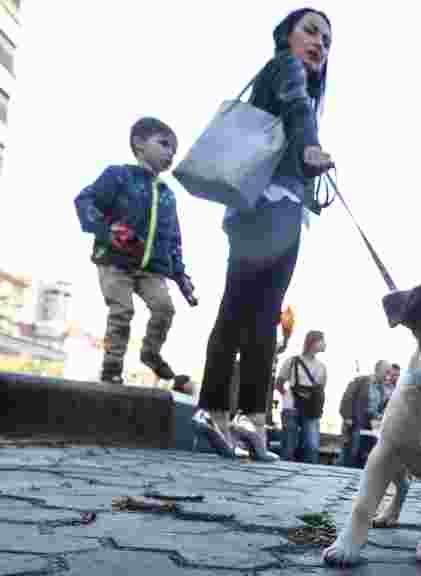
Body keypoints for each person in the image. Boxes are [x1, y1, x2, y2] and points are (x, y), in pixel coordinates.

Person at [191, 8, 334, 461]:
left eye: (327, 41)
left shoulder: (301, 91)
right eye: (310, 31)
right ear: (285, 36)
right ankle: (219, 410)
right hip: (266, 212)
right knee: (242, 312)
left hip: (279, 211)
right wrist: (311, 146)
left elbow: (293, 121)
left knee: (258, 317)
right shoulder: (287, 69)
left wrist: (309, 184)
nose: (319, 44)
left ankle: (248, 420)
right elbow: (295, 107)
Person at [74, 117, 198, 387]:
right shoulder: (118, 175)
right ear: (139, 143)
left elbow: (173, 238)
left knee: (165, 308)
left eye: (174, 150)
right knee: (122, 311)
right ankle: (111, 367)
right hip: (115, 261)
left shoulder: (167, 194)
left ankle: (150, 353)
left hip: (151, 270)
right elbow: (85, 200)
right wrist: (107, 230)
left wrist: (181, 276)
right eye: (164, 144)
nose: (170, 153)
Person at [276, 330, 328, 463]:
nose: (325, 344)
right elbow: (279, 383)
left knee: (312, 446)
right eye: (322, 340)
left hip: (311, 409)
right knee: (289, 446)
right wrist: (289, 396)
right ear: (313, 342)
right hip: (291, 406)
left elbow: (320, 390)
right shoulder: (292, 361)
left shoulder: (322, 367)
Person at [340, 360, 390, 468]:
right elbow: (347, 398)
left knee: (365, 456)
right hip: (356, 423)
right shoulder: (361, 381)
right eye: (386, 372)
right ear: (378, 370)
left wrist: (379, 415)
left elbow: (380, 407)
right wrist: (347, 417)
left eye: (389, 373)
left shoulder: (382, 389)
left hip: (371, 426)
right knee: (351, 454)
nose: (388, 376)